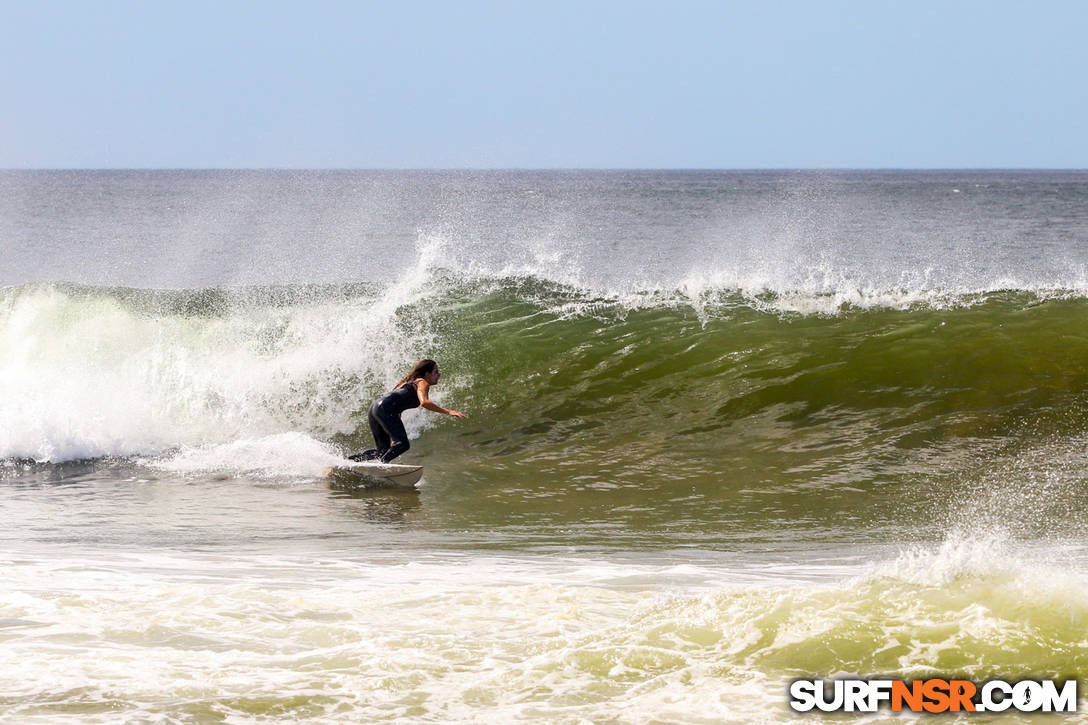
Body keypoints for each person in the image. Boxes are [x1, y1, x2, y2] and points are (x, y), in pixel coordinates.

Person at [349, 359, 466, 463]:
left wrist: (394, 432)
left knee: (382, 451)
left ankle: (348, 461)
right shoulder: (422, 382)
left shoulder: (407, 381)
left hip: (375, 408)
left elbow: (394, 401)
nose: (439, 375)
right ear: (427, 374)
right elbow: (425, 402)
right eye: (436, 372)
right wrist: (448, 412)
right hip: (384, 408)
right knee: (403, 444)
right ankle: (380, 467)